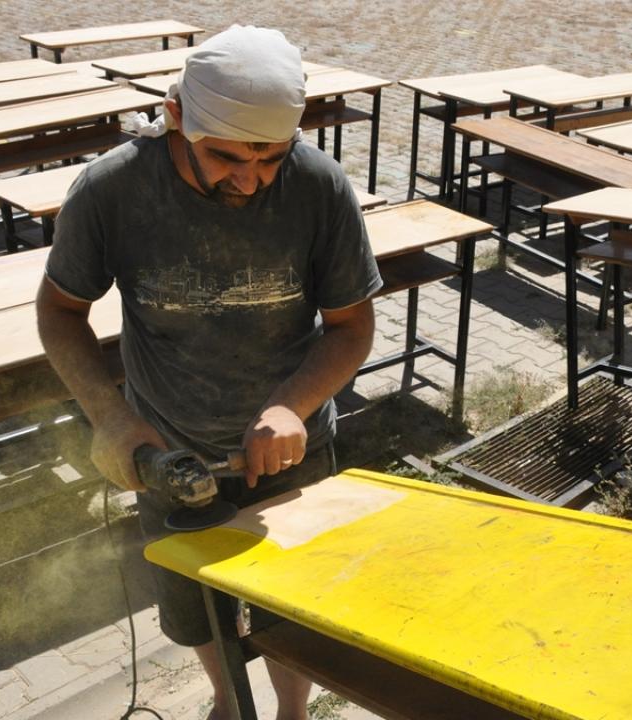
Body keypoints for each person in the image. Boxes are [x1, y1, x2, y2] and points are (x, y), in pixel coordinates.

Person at [35, 25, 382, 720]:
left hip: (293, 447)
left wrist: (290, 406)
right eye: (225, 156)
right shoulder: (113, 189)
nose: (248, 180)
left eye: (269, 158)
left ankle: (292, 711)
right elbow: (61, 311)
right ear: (175, 117)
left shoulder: (318, 186)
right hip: (169, 451)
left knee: (294, 608)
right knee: (196, 610)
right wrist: (110, 418)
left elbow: (352, 326)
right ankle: (226, 699)